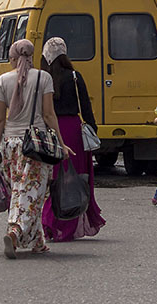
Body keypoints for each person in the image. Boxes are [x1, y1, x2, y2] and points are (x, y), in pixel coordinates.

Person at [0, 39, 72, 259]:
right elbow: (48, 114)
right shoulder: (43, 78)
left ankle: (37, 241)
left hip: (11, 144)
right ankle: (15, 231)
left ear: (14, 57)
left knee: (20, 189)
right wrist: (61, 142)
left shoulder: (2, 80)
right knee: (32, 192)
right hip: (36, 144)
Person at [40, 36, 105, 242]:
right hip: (74, 131)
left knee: (53, 178)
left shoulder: (44, 77)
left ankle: (49, 220)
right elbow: (85, 106)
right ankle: (69, 223)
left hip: (51, 130)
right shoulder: (75, 76)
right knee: (75, 178)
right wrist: (92, 129)